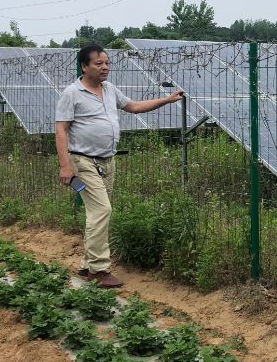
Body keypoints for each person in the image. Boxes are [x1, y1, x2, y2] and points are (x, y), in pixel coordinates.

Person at [55, 44, 184, 288]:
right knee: (102, 210)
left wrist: (166, 100)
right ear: (84, 66)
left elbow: (133, 107)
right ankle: (99, 270)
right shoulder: (72, 93)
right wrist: (65, 166)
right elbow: (61, 129)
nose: (105, 67)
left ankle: (87, 264)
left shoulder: (110, 90)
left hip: (107, 161)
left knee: (97, 213)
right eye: (99, 63)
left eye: (107, 63)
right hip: (83, 161)